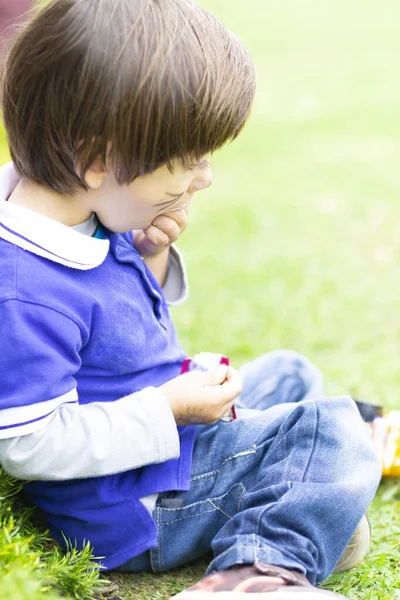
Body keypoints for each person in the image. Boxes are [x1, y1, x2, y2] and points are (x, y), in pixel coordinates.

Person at [0, 1, 381, 598]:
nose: (203, 178)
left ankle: (310, 487)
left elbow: (118, 326)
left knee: (290, 372)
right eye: (187, 160)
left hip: (165, 441)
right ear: (96, 159)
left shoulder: (83, 210)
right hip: (137, 502)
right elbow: (28, 443)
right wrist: (166, 409)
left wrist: (149, 253)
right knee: (330, 427)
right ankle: (257, 572)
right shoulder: (23, 289)